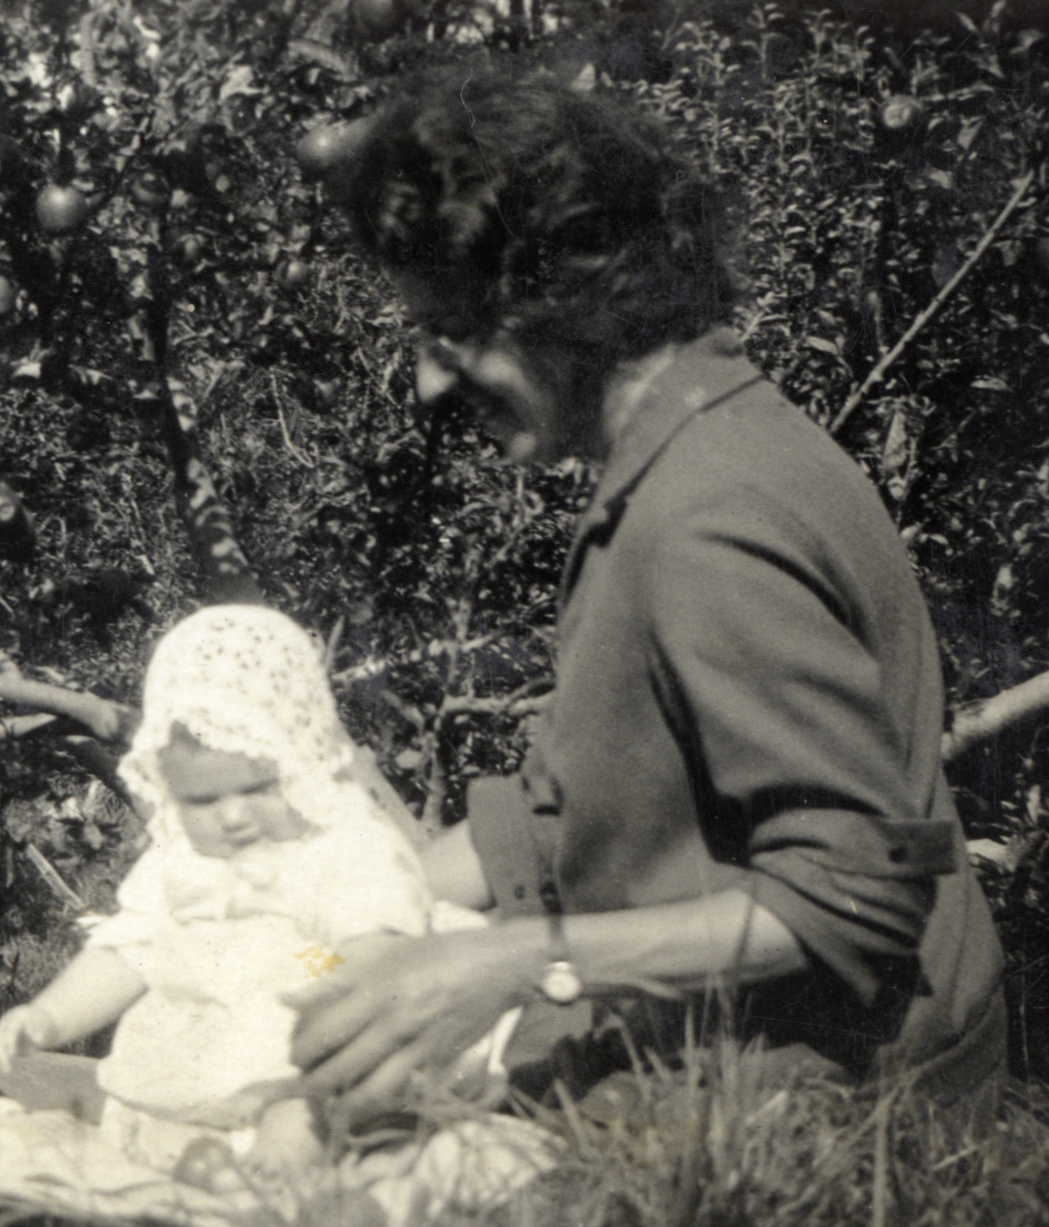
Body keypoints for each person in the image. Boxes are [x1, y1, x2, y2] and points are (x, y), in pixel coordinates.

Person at [287, 66, 1009, 1126]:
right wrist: (348, 909)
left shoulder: (703, 520)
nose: (432, 383)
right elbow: (599, 794)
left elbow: (853, 894)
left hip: (836, 1119)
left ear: (561, 299)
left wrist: (509, 965)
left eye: (451, 331)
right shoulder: (701, 447)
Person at [0, 605, 547, 1221]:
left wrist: (326, 1013)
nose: (232, 816)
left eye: (256, 788)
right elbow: (126, 952)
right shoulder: (177, 861)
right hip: (191, 1087)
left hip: (307, 1072)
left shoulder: (342, 845)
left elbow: (377, 953)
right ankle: (194, 1180)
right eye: (203, 799)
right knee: (111, 1138)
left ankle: (302, 1187)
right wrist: (45, 1017)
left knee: (308, 1125)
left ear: (299, 760)